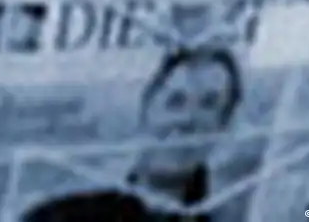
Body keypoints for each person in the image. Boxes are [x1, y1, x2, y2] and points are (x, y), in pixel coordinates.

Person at [21, 47, 243, 222]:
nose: (186, 120)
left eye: (208, 105)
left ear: (224, 127)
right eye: (175, 102)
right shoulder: (63, 215)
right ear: (147, 109)